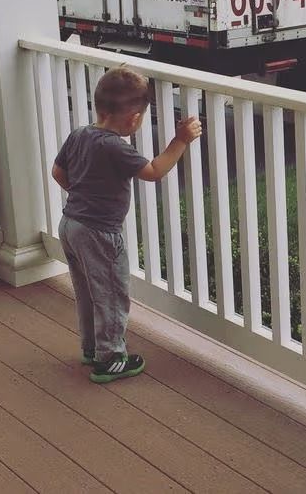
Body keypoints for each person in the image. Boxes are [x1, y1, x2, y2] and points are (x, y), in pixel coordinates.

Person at [51, 66, 202, 383]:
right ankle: (111, 358)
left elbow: (57, 172)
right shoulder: (116, 146)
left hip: (71, 224)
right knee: (111, 294)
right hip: (99, 233)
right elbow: (153, 171)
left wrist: (82, 195)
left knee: (87, 291)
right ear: (134, 119)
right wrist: (181, 140)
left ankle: (92, 348)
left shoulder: (80, 134)